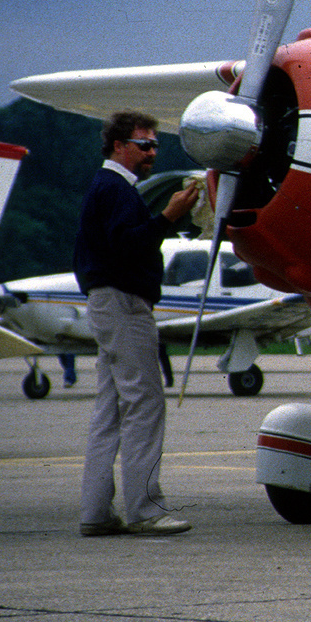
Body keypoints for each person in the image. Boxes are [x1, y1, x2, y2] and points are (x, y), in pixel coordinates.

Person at [74, 111, 202, 536]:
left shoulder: (108, 188)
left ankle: (95, 511)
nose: (151, 152)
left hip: (106, 303)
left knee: (109, 409)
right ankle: (146, 509)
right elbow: (127, 245)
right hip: (125, 305)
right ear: (118, 146)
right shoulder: (116, 189)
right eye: (144, 144)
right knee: (145, 404)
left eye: (154, 145)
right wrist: (169, 216)